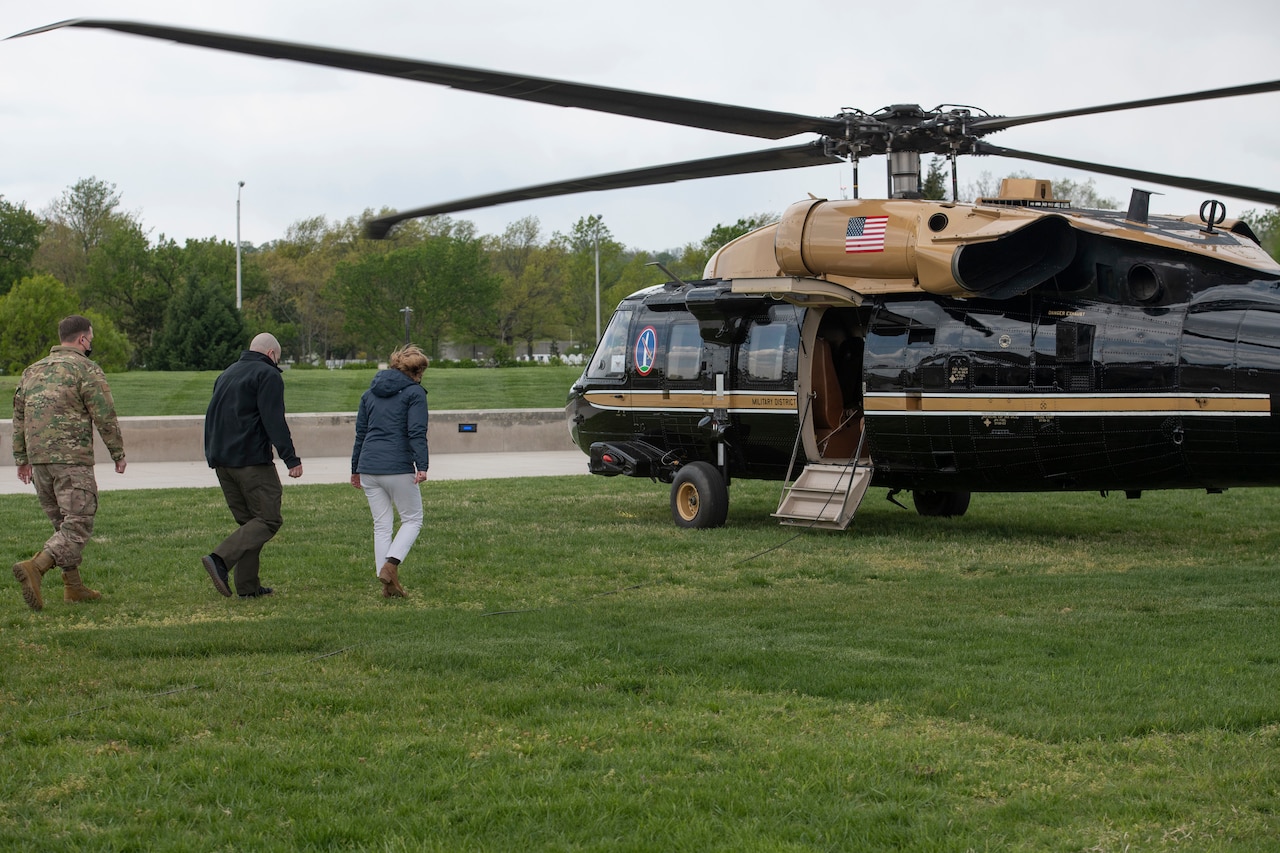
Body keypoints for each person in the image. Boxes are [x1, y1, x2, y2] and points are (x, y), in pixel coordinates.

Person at [11, 315, 127, 611]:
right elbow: (104, 414)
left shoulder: (31, 371)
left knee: (62, 525)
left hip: (40, 463)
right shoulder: (86, 369)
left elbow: (19, 417)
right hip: (71, 460)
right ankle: (35, 568)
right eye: (91, 338)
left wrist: (21, 459)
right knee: (77, 525)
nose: (91, 343)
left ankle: (73, 588)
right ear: (82, 340)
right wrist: (118, 453)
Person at [201, 332, 302, 599]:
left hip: (221, 461)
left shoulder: (227, 373)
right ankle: (220, 559)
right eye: (277, 359)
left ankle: (248, 587)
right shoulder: (267, 375)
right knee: (268, 519)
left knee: (250, 523)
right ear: (271, 355)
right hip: (250, 461)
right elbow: (274, 420)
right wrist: (290, 458)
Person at [349, 344, 430, 598]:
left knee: (382, 525)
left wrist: (355, 468)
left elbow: (361, 433)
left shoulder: (369, 394)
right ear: (417, 372)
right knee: (413, 519)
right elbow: (416, 431)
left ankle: (388, 585)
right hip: (396, 466)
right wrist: (422, 465)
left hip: (369, 467)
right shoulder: (415, 393)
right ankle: (390, 565)